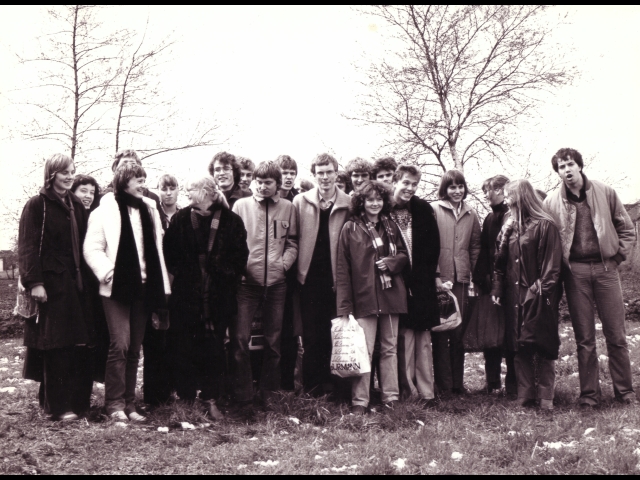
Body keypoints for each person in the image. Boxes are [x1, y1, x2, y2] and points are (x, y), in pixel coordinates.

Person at [544, 148, 636, 407]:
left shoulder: (605, 192)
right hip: (576, 273)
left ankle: (625, 392)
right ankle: (589, 395)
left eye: (570, 164)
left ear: (579, 166)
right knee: (584, 338)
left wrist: (617, 258)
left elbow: (627, 229)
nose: (567, 170)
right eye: (561, 167)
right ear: (558, 172)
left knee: (616, 334)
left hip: (607, 270)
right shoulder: (551, 202)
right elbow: (546, 239)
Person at [84, 164, 171, 422]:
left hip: (144, 287)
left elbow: (156, 248)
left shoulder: (149, 209)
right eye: (137, 180)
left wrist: (161, 286)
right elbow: (92, 248)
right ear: (123, 181)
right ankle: (113, 404)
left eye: (144, 179)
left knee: (134, 347)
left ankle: (130, 404)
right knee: (119, 344)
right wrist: (110, 273)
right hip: (116, 289)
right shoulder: (104, 210)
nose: (142, 183)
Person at [163, 175, 248, 419]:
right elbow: (169, 255)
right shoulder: (180, 220)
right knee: (184, 347)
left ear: (207, 192)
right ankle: (188, 399)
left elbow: (240, 258)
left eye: (191, 189)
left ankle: (211, 399)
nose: (187, 193)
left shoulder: (231, 221)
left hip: (218, 299)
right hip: (186, 298)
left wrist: (218, 275)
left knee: (213, 349)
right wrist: (189, 277)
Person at [19, 153, 93, 421]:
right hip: (51, 284)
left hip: (77, 284)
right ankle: (57, 407)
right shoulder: (37, 205)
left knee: (76, 344)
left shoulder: (75, 204)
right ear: (52, 174)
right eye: (64, 172)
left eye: (72, 171)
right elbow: (27, 247)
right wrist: (35, 283)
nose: (70, 176)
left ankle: (76, 402)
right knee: (56, 346)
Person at [336, 181, 409, 414]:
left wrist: (391, 263)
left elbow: (405, 255)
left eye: (378, 199)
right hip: (363, 298)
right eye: (370, 199)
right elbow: (342, 269)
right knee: (363, 350)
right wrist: (344, 306)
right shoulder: (350, 228)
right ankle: (360, 401)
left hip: (390, 296)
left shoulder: (391, 226)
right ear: (361, 202)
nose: (375, 203)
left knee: (389, 348)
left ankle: (391, 397)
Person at [231, 160, 298, 410]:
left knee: (273, 341)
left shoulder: (288, 208)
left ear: (277, 184)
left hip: (277, 284)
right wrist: (241, 270)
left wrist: (283, 265)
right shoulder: (241, 206)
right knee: (240, 339)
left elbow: (293, 242)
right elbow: (233, 244)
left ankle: (268, 395)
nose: (261, 186)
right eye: (258, 182)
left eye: (267, 182)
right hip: (247, 285)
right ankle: (243, 397)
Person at [491, 179, 562, 410]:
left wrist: (539, 290)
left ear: (521, 196)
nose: (507, 199)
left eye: (509, 195)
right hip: (514, 295)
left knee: (542, 343)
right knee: (518, 344)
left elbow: (553, 265)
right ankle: (525, 393)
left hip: (538, 294)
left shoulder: (545, 224)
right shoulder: (509, 227)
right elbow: (500, 263)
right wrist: (498, 288)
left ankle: (546, 396)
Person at [293, 153, 351, 395]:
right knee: (312, 333)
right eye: (320, 172)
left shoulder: (349, 203)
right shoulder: (300, 201)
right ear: (314, 174)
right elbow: (293, 239)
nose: (325, 177)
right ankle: (312, 387)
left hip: (338, 278)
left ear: (336, 173)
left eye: (329, 172)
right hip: (309, 278)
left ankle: (337, 387)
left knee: (337, 333)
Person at [390, 165, 440, 405]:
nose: (410, 188)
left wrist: (426, 279)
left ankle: (427, 393)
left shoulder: (422, 208)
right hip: (396, 284)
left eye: (414, 184)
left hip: (421, 284)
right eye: (406, 183)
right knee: (403, 341)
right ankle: (407, 392)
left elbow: (433, 248)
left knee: (423, 341)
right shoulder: (384, 209)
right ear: (395, 181)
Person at [430, 170, 481, 396]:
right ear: (445, 189)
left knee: (458, 332)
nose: (457, 191)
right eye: (452, 187)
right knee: (441, 331)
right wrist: (436, 275)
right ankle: (444, 385)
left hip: (462, 280)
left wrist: (470, 272)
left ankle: (458, 384)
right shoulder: (434, 209)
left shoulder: (471, 213)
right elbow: (427, 244)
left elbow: (475, 246)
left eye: (460, 186)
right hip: (440, 279)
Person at [472, 175, 517, 396]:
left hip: (511, 283)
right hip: (491, 284)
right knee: (492, 334)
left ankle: (513, 385)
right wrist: (481, 278)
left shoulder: (513, 215)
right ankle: (492, 383)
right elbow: (484, 250)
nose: (485, 194)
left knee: (510, 335)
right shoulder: (490, 218)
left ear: (499, 190)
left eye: (487, 190)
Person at [103, 149, 166, 226]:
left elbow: (161, 227)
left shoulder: (152, 198)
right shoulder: (105, 197)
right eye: (124, 163)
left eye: (133, 163)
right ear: (115, 168)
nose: (128, 166)